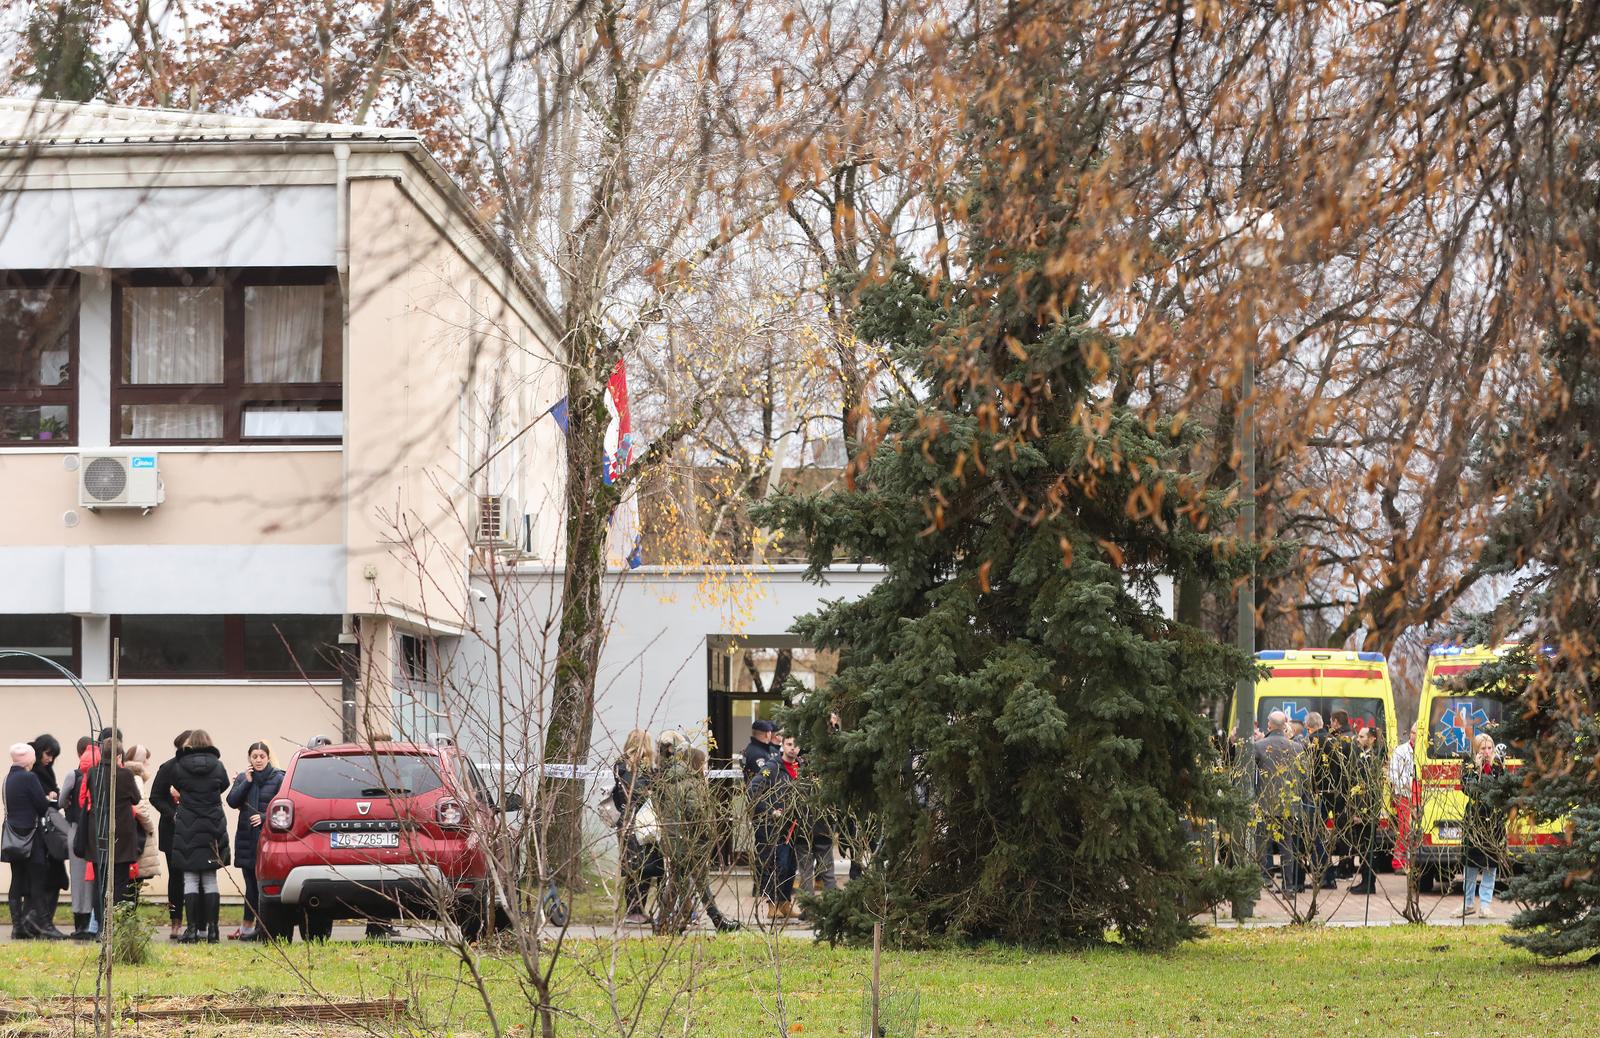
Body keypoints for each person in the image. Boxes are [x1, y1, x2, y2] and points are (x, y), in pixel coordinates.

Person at [650, 735, 738, 934]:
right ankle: (713, 920)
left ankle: (665, 923)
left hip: (673, 840)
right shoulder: (692, 784)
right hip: (690, 841)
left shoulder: (667, 781)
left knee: (679, 882)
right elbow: (697, 813)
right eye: (704, 764)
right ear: (697, 764)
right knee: (692, 882)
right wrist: (709, 835)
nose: (706, 769)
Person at [154, 729, 230, 944]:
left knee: (190, 878)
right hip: (212, 824)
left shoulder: (179, 767)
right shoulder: (218, 765)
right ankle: (213, 930)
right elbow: (224, 785)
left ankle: (193, 929)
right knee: (210, 878)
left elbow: (177, 786)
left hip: (188, 825)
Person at [5, 742, 69, 940]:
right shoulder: (29, 777)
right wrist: (49, 798)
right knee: (38, 881)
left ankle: (18, 926)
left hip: (13, 837)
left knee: (16, 881)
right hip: (32, 837)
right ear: (29, 759)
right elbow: (42, 807)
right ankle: (45, 926)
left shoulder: (8, 779)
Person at [226, 741, 285, 940]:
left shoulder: (279, 778)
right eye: (254, 756)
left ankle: (263, 928)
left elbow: (285, 808)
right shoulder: (244, 778)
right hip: (246, 839)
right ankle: (247, 927)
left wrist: (263, 817)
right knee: (250, 885)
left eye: (262, 756)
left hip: (268, 839)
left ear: (268, 758)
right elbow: (232, 801)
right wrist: (246, 781)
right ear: (249, 758)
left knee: (263, 885)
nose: (258, 760)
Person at [748, 734, 801, 921]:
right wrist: (771, 811)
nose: (792, 748)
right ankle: (772, 904)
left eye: (796, 745)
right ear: (782, 746)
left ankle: (785, 903)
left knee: (790, 866)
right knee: (774, 866)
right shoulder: (771, 767)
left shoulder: (800, 768)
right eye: (789, 744)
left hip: (793, 825)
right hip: (771, 826)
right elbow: (752, 790)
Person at [1252, 710, 1306, 895]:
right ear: (1285, 725)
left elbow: (1251, 775)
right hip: (1288, 804)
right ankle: (1289, 887)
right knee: (1286, 846)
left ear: (1269, 725)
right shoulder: (1297, 748)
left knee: (1262, 844)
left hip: (1265, 803)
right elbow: (1304, 774)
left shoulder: (1258, 746)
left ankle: (1262, 882)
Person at [611, 729, 661, 925]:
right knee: (645, 866)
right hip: (642, 821)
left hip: (625, 822)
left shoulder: (620, 765)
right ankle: (635, 911)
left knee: (633, 865)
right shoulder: (646, 768)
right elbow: (641, 793)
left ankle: (634, 909)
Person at [86, 738, 143, 911]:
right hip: (121, 833)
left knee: (100, 882)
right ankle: (114, 923)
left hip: (98, 830)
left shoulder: (93, 773)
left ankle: (100, 925)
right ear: (119, 756)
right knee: (119, 881)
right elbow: (136, 798)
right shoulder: (125, 775)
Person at [1457, 733, 1507, 919]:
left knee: (1491, 864)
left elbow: (1501, 790)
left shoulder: (1499, 767)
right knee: (1470, 863)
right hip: (1475, 819)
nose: (1487, 752)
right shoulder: (1469, 766)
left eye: (1489, 748)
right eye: (1483, 749)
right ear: (1476, 751)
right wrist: (1477, 769)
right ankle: (1467, 903)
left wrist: (1496, 769)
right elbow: (1468, 789)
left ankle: (1485, 905)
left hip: (1494, 819)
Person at [149, 730, 192, 939]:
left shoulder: (202, 768)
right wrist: (173, 813)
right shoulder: (168, 768)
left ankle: (194, 921)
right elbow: (155, 796)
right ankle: (175, 922)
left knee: (194, 877)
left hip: (195, 829)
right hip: (172, 830)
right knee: (176, 877)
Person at [27, 735, 68, 934]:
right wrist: (49, 797)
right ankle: (40, 922)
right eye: (48, 754)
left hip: (49, 831)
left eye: (53, 756)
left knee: (53, 877)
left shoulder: (45, 771)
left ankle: (39, 922)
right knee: (43, 878)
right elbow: (40, 800)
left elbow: (56, 793)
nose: (50, 759)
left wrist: (54, 795)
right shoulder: (32, 773)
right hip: (42, 832)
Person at [59, 736, 96, 938]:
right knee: (92, 877)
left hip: (76, 828)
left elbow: (62, 800)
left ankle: (79, 923)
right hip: (93, 831)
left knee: (78, 877)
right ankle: (91, 921)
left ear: (78, 752)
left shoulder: (73, 775)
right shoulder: (99, 775)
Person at [1346, 728, 1387, 895]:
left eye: (1362, 737)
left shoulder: (1373, 761)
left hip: (1367, 813)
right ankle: (1365, 880)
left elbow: (1371, 791)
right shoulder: (1361, 757)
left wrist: (1361, 814)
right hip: (1362, 811)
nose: (1358, 739)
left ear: (1371, 739)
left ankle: (1369, 883)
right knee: (1362, 847)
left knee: (1367, 848)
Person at [123, 745, 164, 904]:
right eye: (145, 758)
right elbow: (140, 808)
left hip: (132, 834)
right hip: (139, 835)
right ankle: (127, 920)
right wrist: (150, 827)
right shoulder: (136, 778)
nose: (148, 762)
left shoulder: (129, 776)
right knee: (133, 883)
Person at [1389, 720, 1420, 871]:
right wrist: (1408, 784)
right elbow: (1394, 775)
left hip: (1421, 795)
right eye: (1413, 733)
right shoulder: (1401, 751)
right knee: (1405, 829)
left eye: (1418, 733)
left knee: (1418, 830)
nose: (1415, 736)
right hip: (1404, 795)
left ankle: (1413, 861)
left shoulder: (1425, 752)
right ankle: (1399, 862)